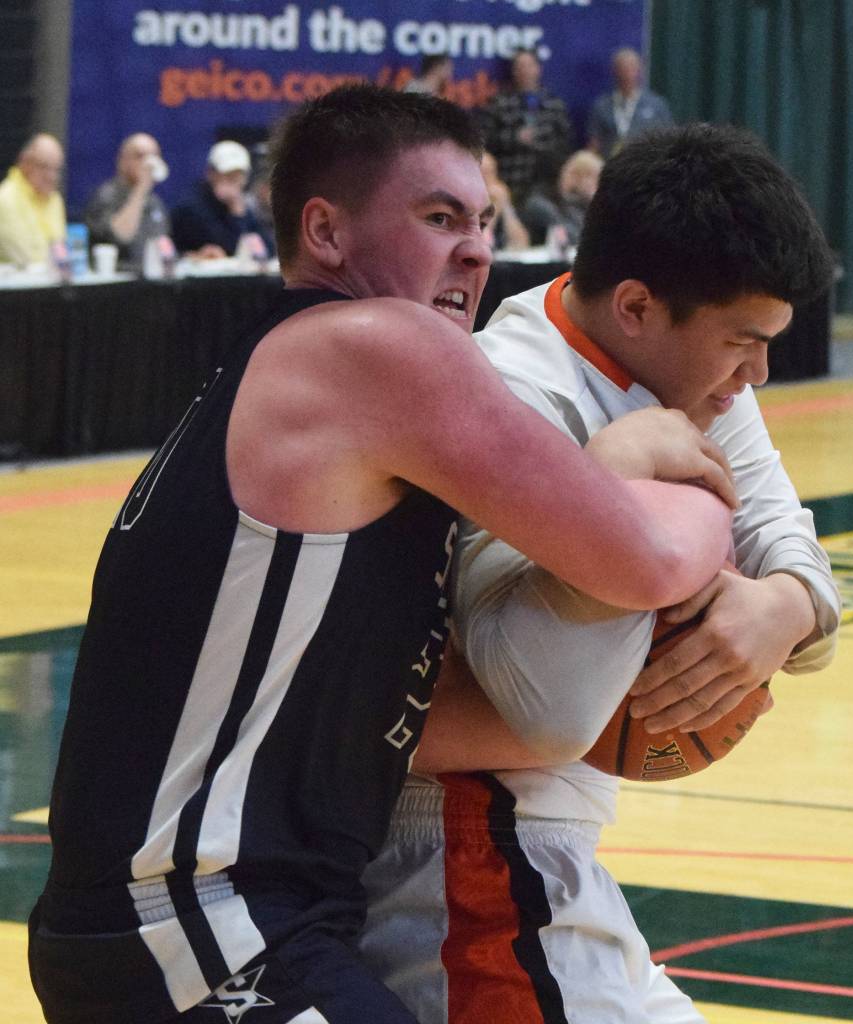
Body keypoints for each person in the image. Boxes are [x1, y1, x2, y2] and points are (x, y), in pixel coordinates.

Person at [28, 88, 740, 1024]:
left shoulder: (296, 390)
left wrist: (758, 628)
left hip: (213, 928)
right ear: (324, 231)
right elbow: (643, 559)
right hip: (198, 930)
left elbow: (479, 726)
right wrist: (674, 476)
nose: (478, 248)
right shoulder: (375, 348)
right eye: (439, 217)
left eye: (483, 220)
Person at [359, 123, 841, 1022]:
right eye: (745, 342)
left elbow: (790, 540)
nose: (761, 374)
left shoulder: (689, 372)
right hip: (468, 841)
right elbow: (551, 708)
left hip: (547, 839)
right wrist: (626, 507)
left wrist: (785, 607)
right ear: (635, 306)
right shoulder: (509, 395)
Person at [478, 49, 572, 207]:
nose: (524, 71)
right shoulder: (498, 103)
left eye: (529, 65)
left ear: (538, 68)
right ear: (513, 71)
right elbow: (484, 142)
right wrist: (514, 139)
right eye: (519, 66)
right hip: (509, 182)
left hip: (546, 187)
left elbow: (566, 144)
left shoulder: (554, 104)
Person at [83, 132, 171, 272]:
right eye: (140, 156)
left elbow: (162, 245)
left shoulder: (155, 202)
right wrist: (141, 188)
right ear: (123, 160)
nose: (148, 163)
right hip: (116, 285)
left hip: (150, 284)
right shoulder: (105, 196)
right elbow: (121, 236)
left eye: (154, 156)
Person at [171, 139, 271, 258]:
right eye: (227, 174)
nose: (232, 181)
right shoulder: (191, 206)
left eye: (237, 175)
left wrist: (238, 213)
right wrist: (236, 213)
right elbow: (230, 249)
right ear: (210, 173)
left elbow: (267, 249)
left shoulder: (241, 205)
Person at [588, 47, 673, 159]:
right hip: (610, 164)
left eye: (632, 68)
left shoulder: (656, 105)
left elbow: (668, 140)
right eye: (623, 68)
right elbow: (594, 143)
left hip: (645, 166)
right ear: (615, 71)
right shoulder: (601, 105)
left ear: (640, 70)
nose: (627, 74)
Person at [0, 132, 66, 267]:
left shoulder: (55, 199)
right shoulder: (5, 199)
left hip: (52, 283)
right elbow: (24, 259)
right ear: (25, 163)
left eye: (57, 169)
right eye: (44, 167)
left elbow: (61, 251)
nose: (51, 177)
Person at [521, 148, 603, 247]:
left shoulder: (578, 203)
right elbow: (576, 236)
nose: (599, 186)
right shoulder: (540, 203)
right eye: (596, 179)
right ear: (579, 177)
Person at [480, 151, 529, 252]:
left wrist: (506, 205)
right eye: (483, 173)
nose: (489, 179)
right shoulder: (466, 205)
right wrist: (495, 210)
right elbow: (481, 242)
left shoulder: (497, 198)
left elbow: (521, 243)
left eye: (491, 172)